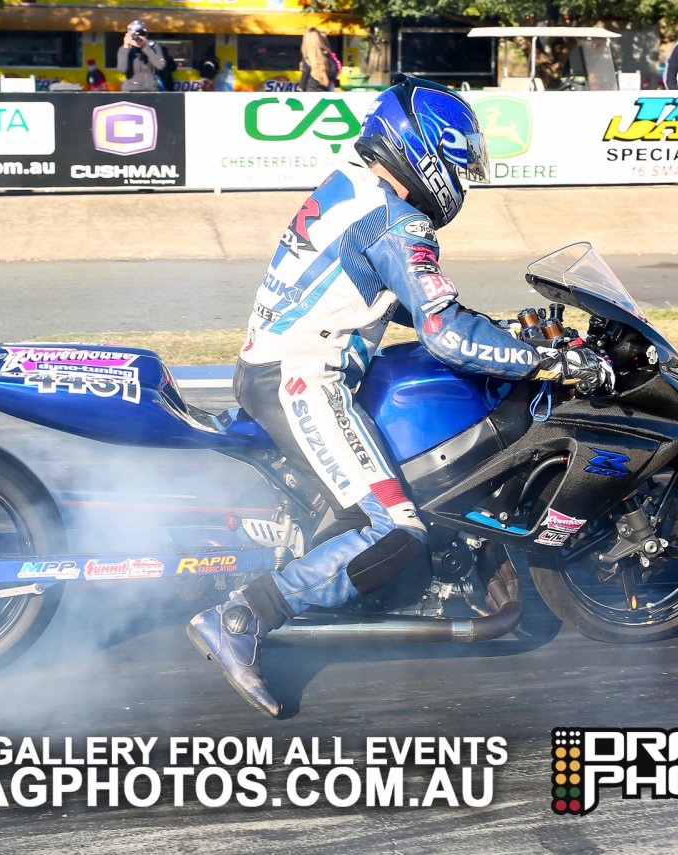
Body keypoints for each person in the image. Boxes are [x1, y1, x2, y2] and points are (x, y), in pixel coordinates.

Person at [185, 77, 614, 718]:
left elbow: (403, 298)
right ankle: (244, 614)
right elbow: (441, 330)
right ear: (425, 150)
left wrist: (493, 332)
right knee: (398, 530)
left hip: (287, 360)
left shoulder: (355, 182)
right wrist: (550, 358)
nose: (462, 174)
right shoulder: (398, 220)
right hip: (305, 375)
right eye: (459, 158)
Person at [117, 19, 170, 92]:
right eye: (136, 35)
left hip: (151, 89)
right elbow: (122, 70)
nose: (140, 37)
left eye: (143, 34)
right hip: (131, 89)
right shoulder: (125, 49)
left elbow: (161, 66)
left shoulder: (153, 47)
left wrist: (145, 47)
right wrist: (126, 47)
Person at [299, 27, 336, 92]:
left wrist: (300, 87)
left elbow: (303, 80)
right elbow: (333, 73)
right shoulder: (326, 59)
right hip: (324, 93)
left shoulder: (308, 60)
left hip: (310, 93)